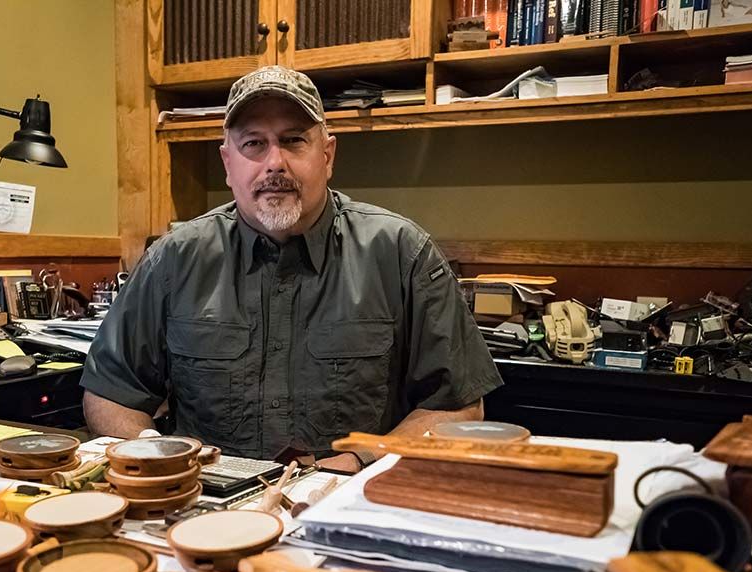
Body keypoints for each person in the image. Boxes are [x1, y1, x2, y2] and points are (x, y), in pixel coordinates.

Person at [82, 66, 502, 471]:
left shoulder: (401, 253)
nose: (275, 163)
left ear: (327, 155)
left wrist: (365, 458)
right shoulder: (173, 260)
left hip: (349, 505)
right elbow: (110, 393)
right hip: (207, 510)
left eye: (294, 140)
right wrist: (157, 452)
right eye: (253, 144)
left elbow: (458, 405)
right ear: (228, 163)